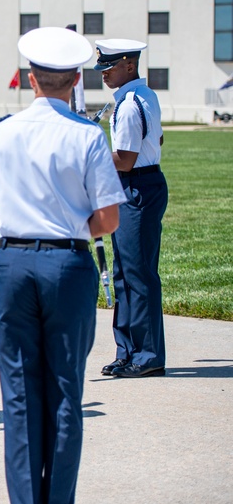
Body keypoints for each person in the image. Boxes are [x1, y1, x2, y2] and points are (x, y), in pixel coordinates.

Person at [0, 27, 125, 504]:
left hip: (12, 262)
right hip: (66, 263)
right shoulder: (86, 135)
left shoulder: (2, 131)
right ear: (77, 79)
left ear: (30, 79)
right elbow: (107, 217)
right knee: (66, 392)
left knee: (19, 396)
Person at [95, 39, 169, 378]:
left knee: (137, 275)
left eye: (109, 67)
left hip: (136, 185)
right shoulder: (143, 96)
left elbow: (124, 160)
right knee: (125, 273)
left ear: (129, 63)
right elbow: (158, 140)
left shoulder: (128, 104)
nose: (104, 73)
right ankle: (128, 351)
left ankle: (148, 353)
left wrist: (88, 158)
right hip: (139, 183)